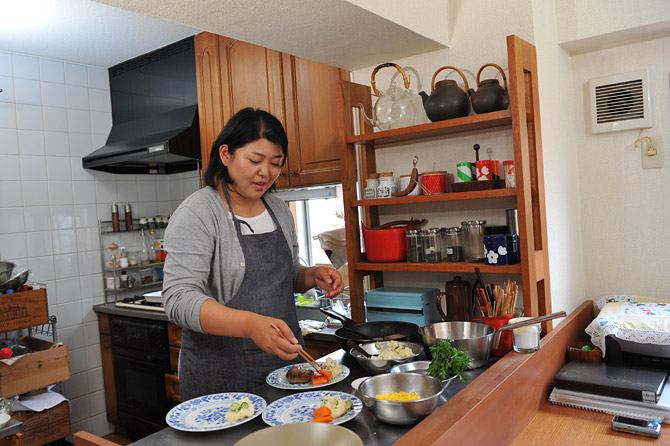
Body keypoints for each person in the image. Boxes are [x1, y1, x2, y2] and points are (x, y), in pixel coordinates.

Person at [162, 108, 344, 400]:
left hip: (284, 367)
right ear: (225, 155)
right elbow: (178, 299)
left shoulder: (279, 210)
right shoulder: (198, 213)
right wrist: (251, 325)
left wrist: (311, 275)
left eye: (276, 163)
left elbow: (285, 274)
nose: (266, 173)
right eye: (255, 160)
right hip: (221, 374)